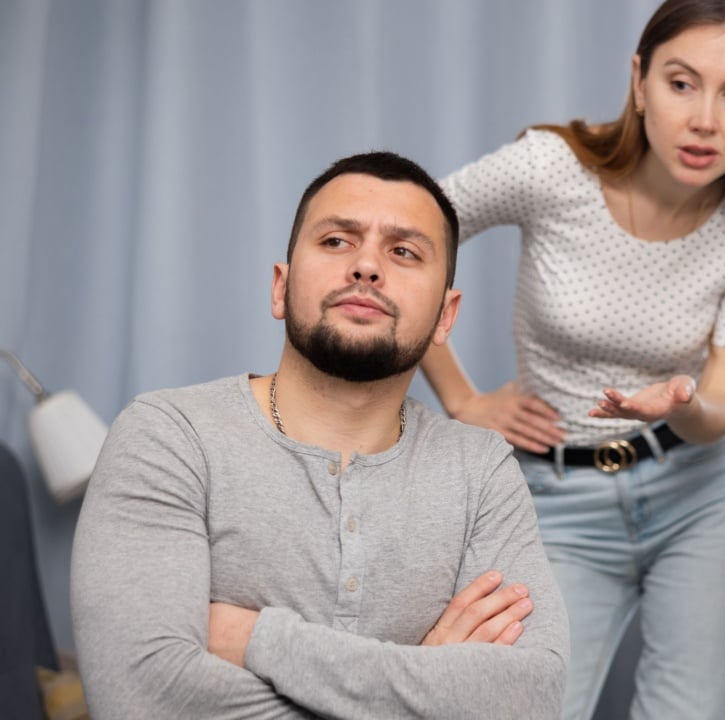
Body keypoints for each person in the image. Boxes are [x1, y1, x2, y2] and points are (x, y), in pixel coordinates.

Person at [418, 1, 725, 716]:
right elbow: (406, 236)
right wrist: (462, 399)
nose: (705, 120)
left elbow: (722, 404)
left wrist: (685, 404)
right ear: (639, 82)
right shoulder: (549, 168)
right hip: (557, 498)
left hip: (705, 497)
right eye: (681, 83)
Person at [70, 151, 569, 719]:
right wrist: (430, 681)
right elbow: (142, 698)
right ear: (280, 288)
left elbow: (531, 697)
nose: (366, 267)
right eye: (336, 241)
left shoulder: (480, 469)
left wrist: (258, 638)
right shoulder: (168, 437)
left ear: (445, 318)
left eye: (404, 252)